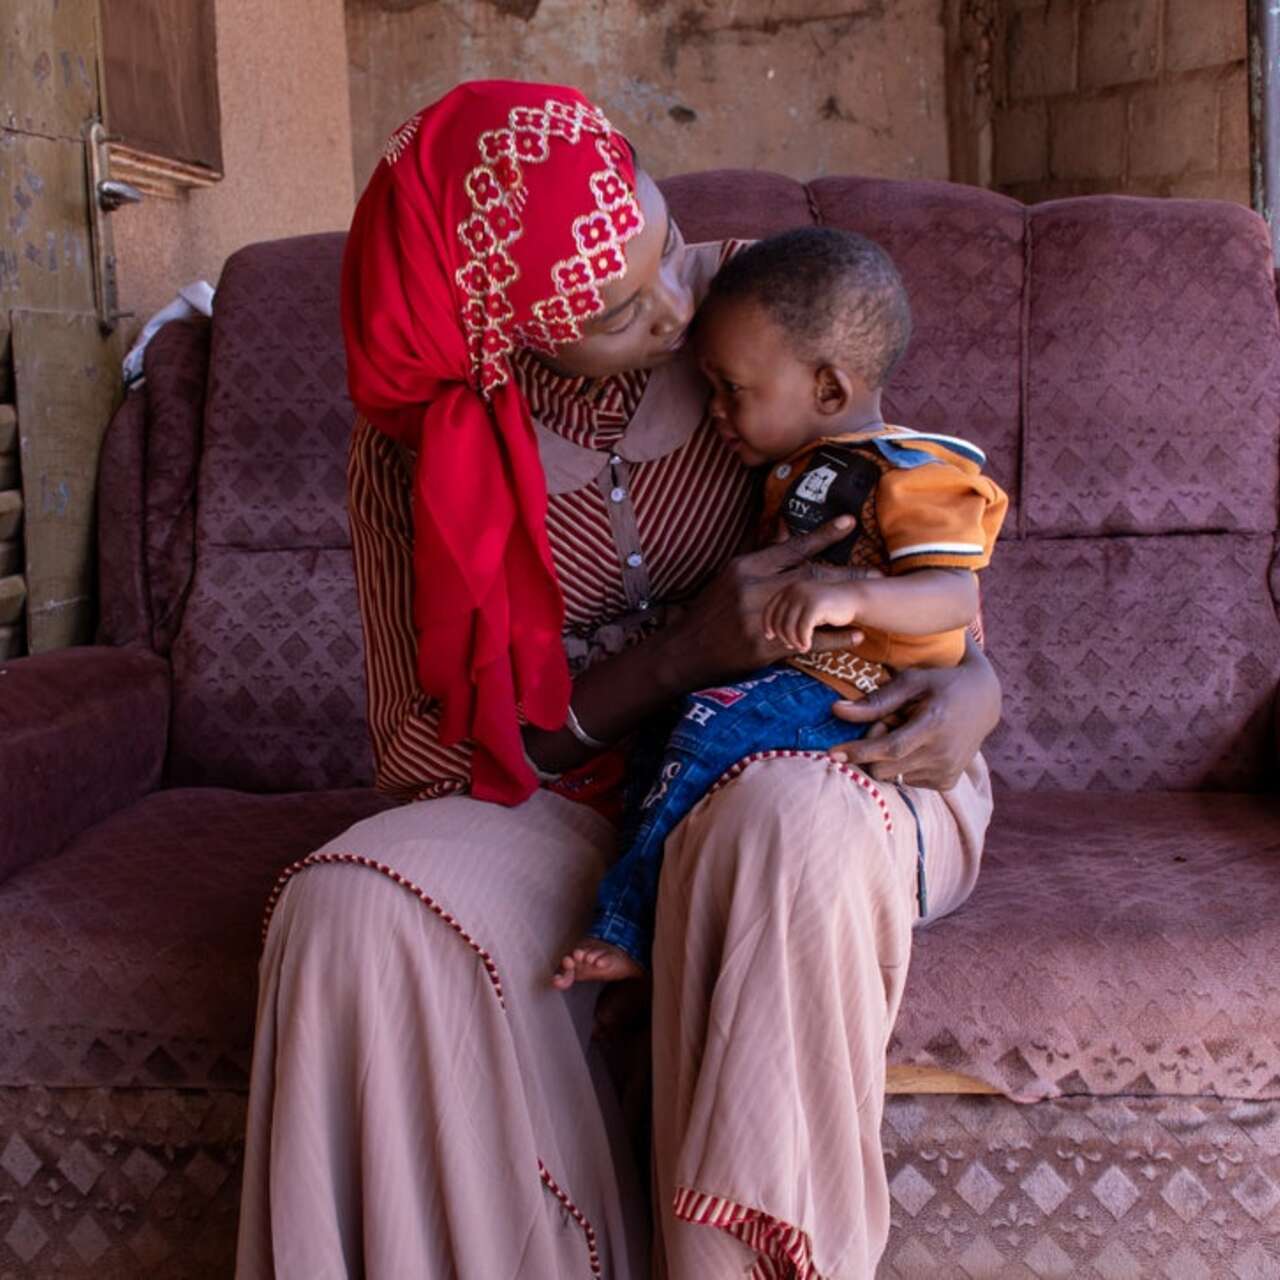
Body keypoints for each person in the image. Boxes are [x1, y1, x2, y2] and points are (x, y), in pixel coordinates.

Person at [236, 79, 1000, 1279]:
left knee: (782, 826)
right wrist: (675, 659)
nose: (673, 304)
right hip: (571, 789)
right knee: (348, 913)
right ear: (503, 328)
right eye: (615, 307)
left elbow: (910, 518)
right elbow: (420, 750)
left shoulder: (749, 299)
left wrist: (977, 683)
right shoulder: (412, 451)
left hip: (806, 748)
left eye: (660, 244)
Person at [554, 227, 1008, 987]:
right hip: (804, 674)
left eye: (734, 390)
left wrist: (852, 593)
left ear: (829, 392)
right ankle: (638, 907)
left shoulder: (914, 471)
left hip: (857, 687)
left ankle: (632, 928)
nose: (719, 411)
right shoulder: (801, 465)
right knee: (666, 739)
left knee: (708, 732)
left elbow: (955, 596)